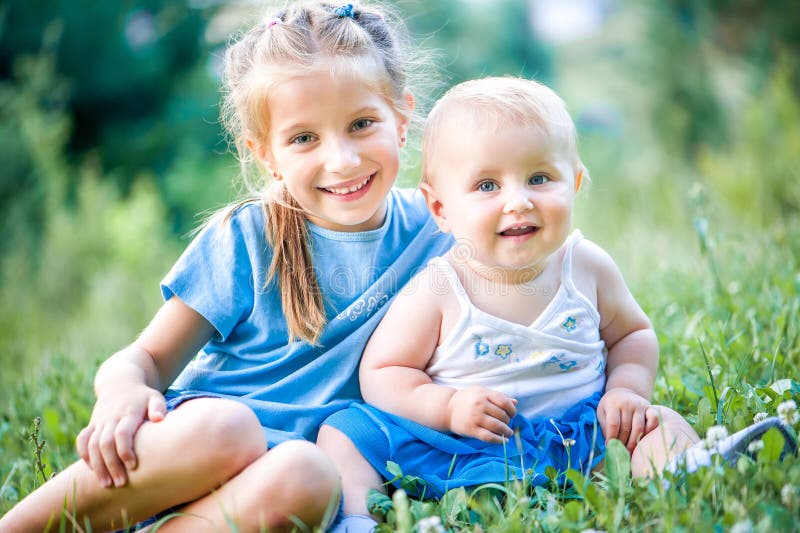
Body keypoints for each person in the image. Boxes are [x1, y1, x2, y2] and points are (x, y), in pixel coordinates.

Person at [0, 2, 454, 531]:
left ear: (402, 119)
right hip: (187, 461)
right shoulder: (248, 237)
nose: (343, 160)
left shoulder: (440, 231)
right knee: (230, 426)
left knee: (312, 473)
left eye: (361, 124)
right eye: (304, 138)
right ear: (266, 154)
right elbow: (144, 359)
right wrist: (123, 390)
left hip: (260, 498)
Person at [318, 76, 707, 528]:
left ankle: (687, 482)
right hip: (461, 450)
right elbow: (384, 372)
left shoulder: (587, 267)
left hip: (577, 441)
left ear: (575, 182)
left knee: (659, 423)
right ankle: (359, 520)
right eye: (487, 186)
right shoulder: (440, 288)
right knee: (344, 433)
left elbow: (633, 335)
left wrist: (625, 391)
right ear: (440, 209)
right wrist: (447, 407)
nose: (518, 202)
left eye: (539, 178)